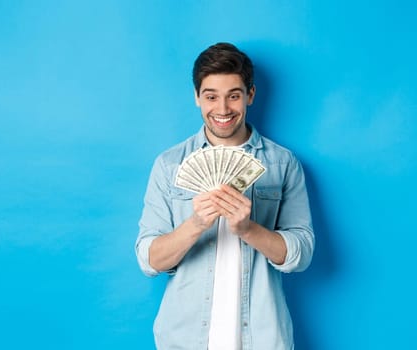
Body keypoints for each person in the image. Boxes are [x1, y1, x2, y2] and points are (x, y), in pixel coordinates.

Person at [135, 42, 315, 349]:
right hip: (184, 338)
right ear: (197, 98)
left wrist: (248, 229)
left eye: (233, 95)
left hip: (262, 337)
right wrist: (195, 224)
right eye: (211, 96)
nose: (222, 109)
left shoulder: (282, 163)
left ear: (250, 95)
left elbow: (302, 253)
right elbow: (149, 260)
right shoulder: (169, 164)